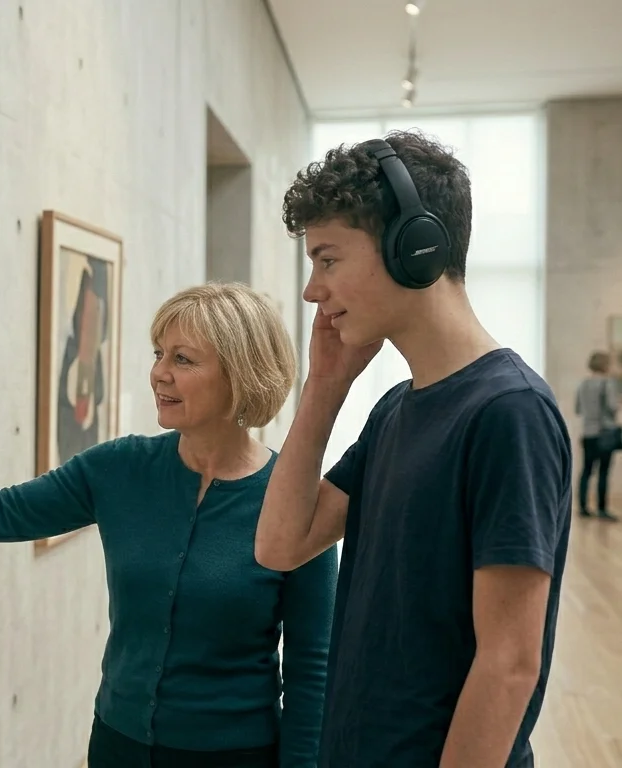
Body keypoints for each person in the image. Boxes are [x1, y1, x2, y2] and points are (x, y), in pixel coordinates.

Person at [0, 282, 337, 768]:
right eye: (158, 354)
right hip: (117, 744)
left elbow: (313, 671)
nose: (158, 373)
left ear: (240, 374)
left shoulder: (295, 503)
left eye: (183, 359)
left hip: (234, 756)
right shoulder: (120, 469)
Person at [254, 129, 573, 767]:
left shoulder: (508, 413)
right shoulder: (396, 408)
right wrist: (323, 388)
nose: (313, 290)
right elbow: (281, 544)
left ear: (414, 248)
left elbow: (509, 664)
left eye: (328, 259)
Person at [574, 351, 619, 520]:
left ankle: (583, 507)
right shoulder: (607, 383)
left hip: (587, 433)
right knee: (603, 472)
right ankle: (601, 509)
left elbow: (578, 409)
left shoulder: (583, 384)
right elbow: (612, 407)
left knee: (586, 471)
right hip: (604, 433)